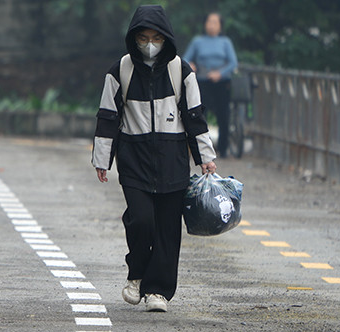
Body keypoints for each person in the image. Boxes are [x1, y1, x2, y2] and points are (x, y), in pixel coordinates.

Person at [92, 5, 217, 313]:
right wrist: (102, 159)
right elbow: (107, 117)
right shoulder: (119, 71)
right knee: (141, 219)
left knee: (167, 228)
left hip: (172, 159)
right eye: (143, 38)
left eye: (156, 38)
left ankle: (158, 291)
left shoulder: (181, 71)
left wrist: (205, 157)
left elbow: (195, 116)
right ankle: (136, 273)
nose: (150, 44)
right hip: (133, 159)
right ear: (133, 39)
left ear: (166, 39)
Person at [183, 12, 239, 158]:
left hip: (221, 82)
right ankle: (200, 147)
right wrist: (191, 65)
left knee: (223, 115)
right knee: (200, 114)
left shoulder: (225, 42)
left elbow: (233, 63)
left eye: (215, 22)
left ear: (220, 26)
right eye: (209, 22)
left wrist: (220, 73)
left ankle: (223, 148)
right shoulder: (198, 41)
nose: (212, 25)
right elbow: (185, 58)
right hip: (202, 81)